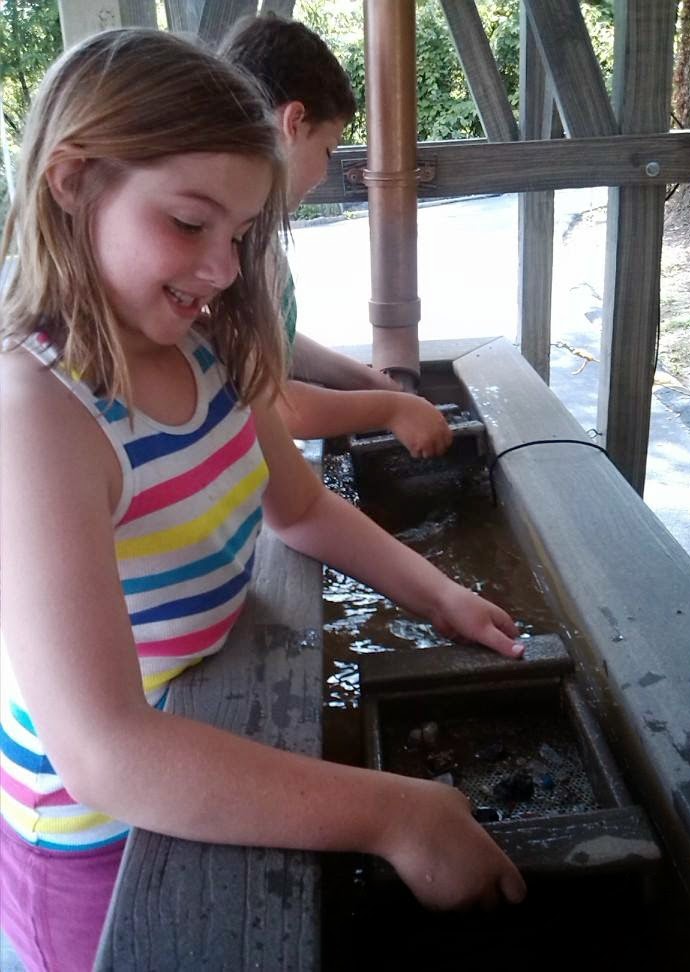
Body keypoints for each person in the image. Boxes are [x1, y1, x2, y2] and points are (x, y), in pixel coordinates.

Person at [0, 27, 525, 972]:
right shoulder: (38, 414)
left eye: (240, 235)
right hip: (92, 843)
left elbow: (298, 508)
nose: (223, 269)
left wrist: (436, 594)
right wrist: (393, 813)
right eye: (190, 224)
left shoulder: (200, 348)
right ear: (73, 181)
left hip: (196, 738)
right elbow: (107, 752)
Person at [218, 13, 454, 459]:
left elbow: (274, 342)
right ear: (294, 122)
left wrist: (367, 380)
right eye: (327, 148)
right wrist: (389, 409)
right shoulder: (230, 243)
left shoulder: (253, 227)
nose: (326, 169)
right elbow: (273, 403)